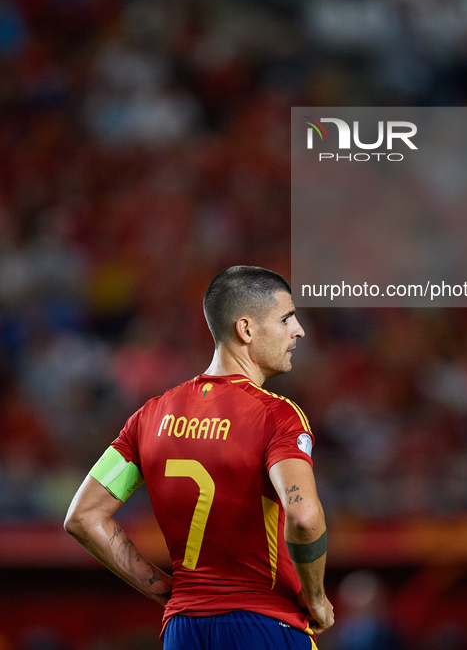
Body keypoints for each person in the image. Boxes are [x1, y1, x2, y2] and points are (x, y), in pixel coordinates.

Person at [64, 265, 334, 649]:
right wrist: (318, 599)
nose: (298, 330)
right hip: (266, 624)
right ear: (246, 329)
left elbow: (83, 517)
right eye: (287, 318)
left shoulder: (149, 416)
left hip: (183, 630)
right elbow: (304, 517)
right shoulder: (277, 415)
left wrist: (167, 593)